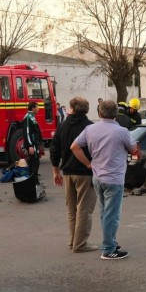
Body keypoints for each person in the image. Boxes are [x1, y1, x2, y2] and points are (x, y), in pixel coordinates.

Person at [71, 100, 137, 260]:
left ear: (100, 113)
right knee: (112, 215)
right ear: (116, 114)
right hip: (114, 178)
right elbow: (134, 149)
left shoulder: (90, 129)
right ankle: (108, 249)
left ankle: (110, 242)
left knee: (104, 213)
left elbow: (74, 147)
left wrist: (88, 163)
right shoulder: (122, 131)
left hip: (97, 177)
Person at [50, 97, 98, 253]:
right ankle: (80, 244)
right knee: (84, 209)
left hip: (67, 172)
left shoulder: (62, 126)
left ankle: (73, 241)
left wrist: (56, 170)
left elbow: (54, 148)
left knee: (71, 209)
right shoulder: (90, 127)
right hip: (85, 172)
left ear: (72, 108)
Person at [22, 101, 45, 184]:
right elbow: (27, 132)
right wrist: (30, 145)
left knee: (35, 162)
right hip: (32, 145)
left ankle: (34, 181)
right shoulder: (28, 117)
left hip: (35, 144)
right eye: (37, 107)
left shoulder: (32, 117)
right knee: (34, 163)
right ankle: (34, 182)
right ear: (33, 108)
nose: (38, 109)